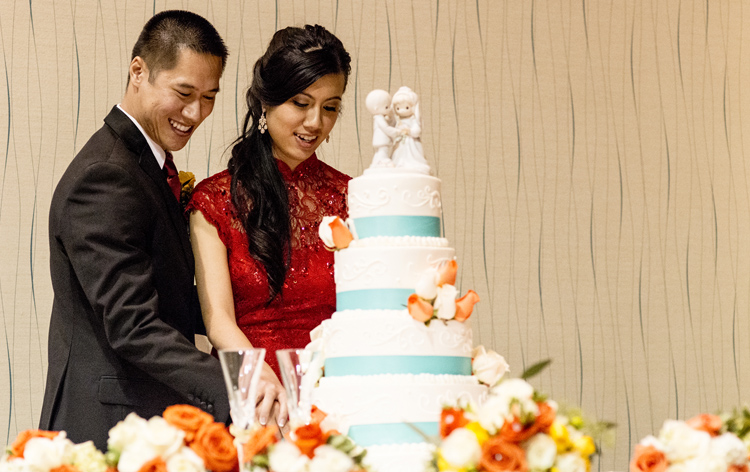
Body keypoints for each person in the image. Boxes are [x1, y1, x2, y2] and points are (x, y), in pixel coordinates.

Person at [39, 10, 230, 450]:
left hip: (144, 420)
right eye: (183, 92)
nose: (195, 112)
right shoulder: (105, 175)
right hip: (105, 427)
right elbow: (133, 324)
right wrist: (234, 385)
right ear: (138, 70)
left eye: (208, 97)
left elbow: (170, 293)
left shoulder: (147, 164)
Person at [187, 24, 351, 429]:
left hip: (334, 397)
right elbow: (218, 321)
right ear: (266, 102)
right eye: (300, 103)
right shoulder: (214, 200)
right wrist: (262, 379)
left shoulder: (353, 196)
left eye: (330, 107)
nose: (315, 122)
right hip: (252, 395)